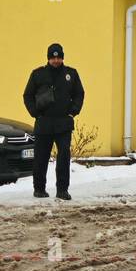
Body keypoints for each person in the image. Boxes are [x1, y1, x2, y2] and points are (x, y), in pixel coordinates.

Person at [22, 43, 85, 200]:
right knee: (41, 158)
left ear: (62, 58)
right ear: (48, 58)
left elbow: (79, 93)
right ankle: (39, 189)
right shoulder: (38, 74)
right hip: (44, 123)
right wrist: (35, 113)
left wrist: (73, 111)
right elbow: (27, 95)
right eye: (53, 57)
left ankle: (62, 190)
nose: (56, 60)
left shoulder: (71, 74)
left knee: (64, 157)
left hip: (63, 123)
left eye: (58, 57)